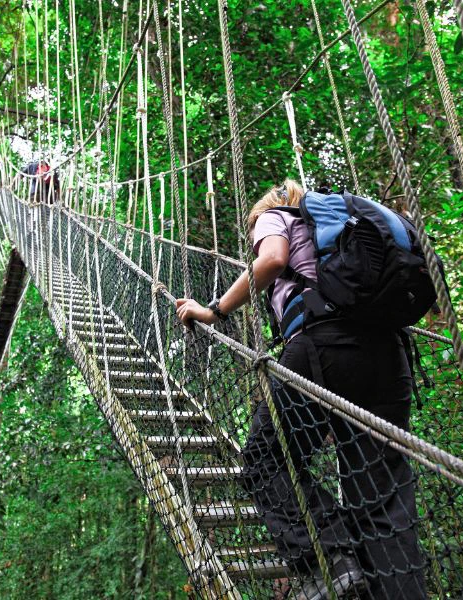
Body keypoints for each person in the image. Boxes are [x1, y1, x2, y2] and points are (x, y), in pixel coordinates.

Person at [176, 180, 426, 599]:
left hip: (323, 347)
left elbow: (273, 260)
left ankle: (331, 559)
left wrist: (213, 310)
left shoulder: (278, 216)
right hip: (389, 355)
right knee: (382, 496)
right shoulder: (343, 221)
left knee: (262, 460)